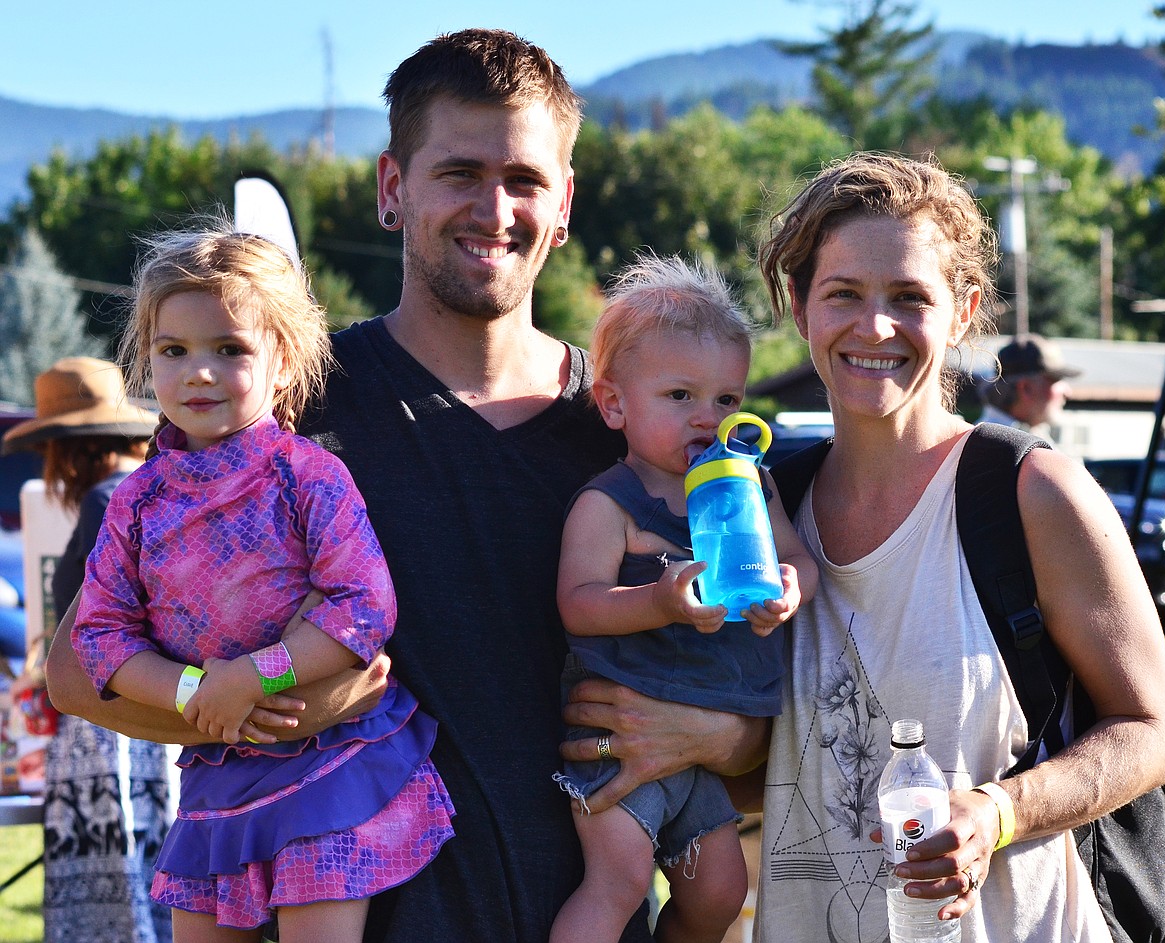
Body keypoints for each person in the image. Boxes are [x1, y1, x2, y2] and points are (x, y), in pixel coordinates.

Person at [45, 30, 766, 943]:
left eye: (526, 180)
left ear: (567, 200)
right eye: (458, 172)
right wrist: (266, 705)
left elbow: (769, 714)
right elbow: (78, 672)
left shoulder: (642, 432)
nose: (494, 207)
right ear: (393, 188)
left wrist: (705, 738)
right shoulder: (280, 410)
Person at [750, 151, 1165, 942]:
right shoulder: (769, 508)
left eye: (910, 297)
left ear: (963, 308)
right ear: (801, 305)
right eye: (843, 294)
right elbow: (783, 760)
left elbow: (1154, 726)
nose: (875, 326)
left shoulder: (1029, 493)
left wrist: (999, 811)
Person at [69, 223, 454, 943]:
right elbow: (99, 635)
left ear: (282, 362)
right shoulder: (136, 502)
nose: (199, 372)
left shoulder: (307, 474)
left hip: (331, 763)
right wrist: (203, 693)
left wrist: (258, 674)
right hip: (218, 774)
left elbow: (365, 605)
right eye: (173, 350)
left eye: (230, 349)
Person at [550, 255, 818, 943]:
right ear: (615, 404)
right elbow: (579, 602)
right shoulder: (611, 501)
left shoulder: (748, 484)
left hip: (701, 747)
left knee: (724, 889)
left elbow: (796, 559)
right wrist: (658, 602)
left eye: (726, 399)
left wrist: (789, 590)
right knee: (619, 879)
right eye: (680, 397)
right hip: (618, 729)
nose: (708, 418)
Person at [1, 356, 170, 943]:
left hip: (107, 728)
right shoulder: (156, 486)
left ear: (67, 449)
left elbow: (99, 633)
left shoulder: (105, 501)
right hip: (163, 718)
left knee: (112, 906)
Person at [978, 333, 1081, 439]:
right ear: (1025, 388)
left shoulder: (1030, 434)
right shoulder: (992, 444)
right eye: (1055, 380)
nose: (1068, 393)